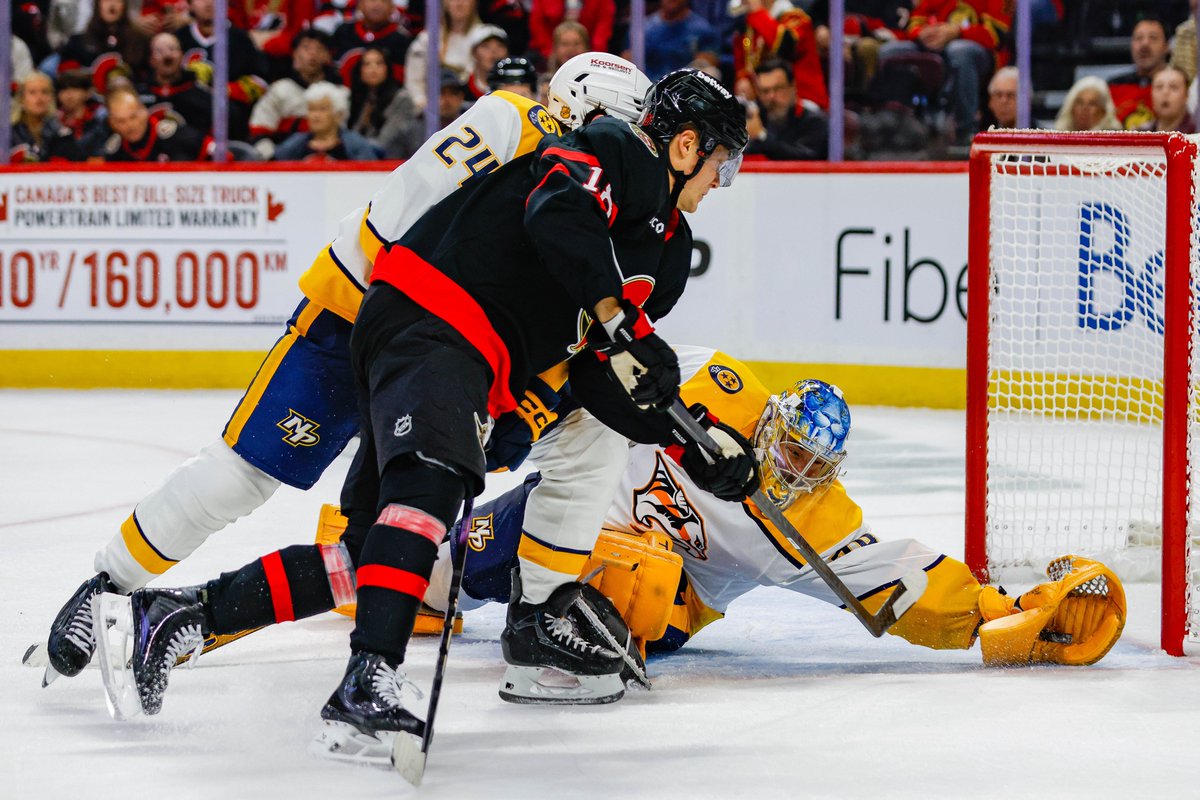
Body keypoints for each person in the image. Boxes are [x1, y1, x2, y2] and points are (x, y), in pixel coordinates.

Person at [91, 68, 751, 762]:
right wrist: (617, 318)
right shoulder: (611, 149)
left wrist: (692, 443)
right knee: (429, 485)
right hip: (433, 309)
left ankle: (179, 615)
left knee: (376, 552)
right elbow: (557, 211)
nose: (720, 181)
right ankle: (366, 683)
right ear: (683, 146)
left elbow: (600, 372)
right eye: (720, 163)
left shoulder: (666, 256)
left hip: (475, 357)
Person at [37, 53, 654, 688]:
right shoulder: (514, 123)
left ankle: (189, 617)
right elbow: (408, 204)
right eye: (623, 129)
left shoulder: (585, 197)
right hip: (366, 318)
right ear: (592, 112)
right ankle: (106, 584)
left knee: (383, 543)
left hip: (434, 353)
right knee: (240, 477)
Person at [100, 349, 1127, 724]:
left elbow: (910, 588)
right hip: (552, 523)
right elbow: (609, 380)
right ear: (766, 422)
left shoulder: (810, 524)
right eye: (786, 452)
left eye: (812, 469)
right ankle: (187, 614)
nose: (792, 473)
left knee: (637, 571)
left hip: (637, 600)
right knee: (379, 563)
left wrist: (1012, 616)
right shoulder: (714, 400)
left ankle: (551, 649)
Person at [878, 0, 1011, 144]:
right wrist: (923, 33)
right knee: (890, 51)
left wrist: (958, 32)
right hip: (936, 46)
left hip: (979, 51)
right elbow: (915, 20)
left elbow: (997, 35)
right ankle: (893, 125)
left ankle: (965, 132)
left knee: (959, 51)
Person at [174, 0, 269, 140]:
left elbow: (261, 82)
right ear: (190, 4)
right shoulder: (178, 38)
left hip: (230, 123)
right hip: (186, 124)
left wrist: (225, 91)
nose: (209, 3)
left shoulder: (240, 39)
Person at [249, 29, 342, 159]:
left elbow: (344, 133)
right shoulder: (280, 89)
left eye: (319, 48)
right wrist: (270, 158)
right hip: (286, 159)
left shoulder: (338, 92)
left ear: (327, 56)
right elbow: (259, 130)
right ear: (295, 54)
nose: (313, 53)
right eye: (306, 48)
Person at [733, 0, 829, 111]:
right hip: (765, 103)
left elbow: (786, 46)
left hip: (803, 103)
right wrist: (744, 80)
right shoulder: (747, 25)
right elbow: (745, 63)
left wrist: (758, 12)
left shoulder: (797, 19)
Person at [404, 0, 487, 112]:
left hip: (475, 110)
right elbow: (414, 82)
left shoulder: (487, 38)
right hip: (432, 112)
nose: (459, 3)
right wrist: (425, 107)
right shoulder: (428, 38)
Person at [92, 86, 207, 161]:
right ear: (111, 123)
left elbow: (215, 152)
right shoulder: (114, 152)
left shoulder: (174, 135)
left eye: (133, 117)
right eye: (121, 121)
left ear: (144, 112)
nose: (129, 125)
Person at [272, 82, 382, 161]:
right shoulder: (292, 146)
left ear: (338, 115)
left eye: (322, 109)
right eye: (311, 109)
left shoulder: (356, 145)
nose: (315, 115)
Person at [744, 59, 828, 160]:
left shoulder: (813, 122)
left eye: (778, 88)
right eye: (765, 91)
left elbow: (805, 159)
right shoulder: (754, 118)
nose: (772, 96)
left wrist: (762, 136)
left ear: (793, 86)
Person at [138, 32, 214, 134]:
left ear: (182, 56)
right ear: (151, 60)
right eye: (159, 51)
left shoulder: (202, 96)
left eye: (172, 49)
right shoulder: (137, 97)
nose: (167, 55)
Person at [1108, 16, 1170, 131]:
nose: (1145, 44)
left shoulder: (1177, 88)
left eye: (1153, 38)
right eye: (1139, 38)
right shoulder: (1112, 88)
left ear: (1166, 47)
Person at [58, 0, 150, 76]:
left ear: (125, 6)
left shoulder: (139, 40)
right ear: (97, 5)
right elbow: (66, 77)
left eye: (118, 1)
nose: (112, 6)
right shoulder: (78, 41)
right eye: (106, 1)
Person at [329, 0, 412, 84]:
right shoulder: (344, 32)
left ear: (392, 7)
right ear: (360, 5)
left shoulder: (402, 39)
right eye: (372, 0)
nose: (377, 4)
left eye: (383, 1)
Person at [9, 72, 84, 163]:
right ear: (21, 99)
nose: (39, 98)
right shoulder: (8, 135)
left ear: (51, 98)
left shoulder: (63, 135)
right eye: (32, 92)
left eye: (45, 92)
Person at [644, 0, 721, 81]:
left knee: (712, 71)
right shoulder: (644, 28)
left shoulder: (702, 29)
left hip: (685, 86)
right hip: (647, 86)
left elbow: (707, 62)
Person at [346, 45, 405, 142]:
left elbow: (387, 141)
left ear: (387, 68)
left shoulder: (402, 99)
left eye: (379, 63)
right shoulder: (356, 99)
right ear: (360, 71)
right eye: (367, 64)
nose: (373, 68)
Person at [529, 0, 615, 62]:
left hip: (590, 52)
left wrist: (594, 57)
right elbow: (537, 24)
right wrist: (548, 52)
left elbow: (604, 24)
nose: (570, 49)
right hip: (548, 52)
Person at [1138, 65, 1196, 133]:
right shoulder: (1141, 133)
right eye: (1159, 87)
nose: (1165, 92)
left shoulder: (1196, 133)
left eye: (1173, 87)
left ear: (1186, 95)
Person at [1052, 76, 1121, 132]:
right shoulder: (1056, 138)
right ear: (1071, 108)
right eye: (1079, 102)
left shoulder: (1115, 141)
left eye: (1092, 104)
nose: (1085, 108)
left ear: (1103, 111)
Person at [464, 24, 509, 100]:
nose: (494, 51)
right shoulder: (461, 90)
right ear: (474, 53)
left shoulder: (516, 91)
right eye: (485, 46)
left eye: (500, 46)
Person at [982, 64, 1017, 129]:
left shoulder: (1040, 135)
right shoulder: (979, 134)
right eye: (998, 95)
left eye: (1010, 95)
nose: (1003, 101)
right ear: (990, 102)